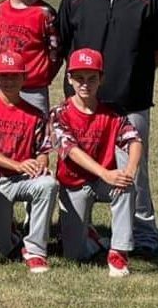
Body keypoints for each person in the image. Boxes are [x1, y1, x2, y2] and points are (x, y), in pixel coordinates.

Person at [57, 0, 158, 255]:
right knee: (81, 168)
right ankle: (82, 228)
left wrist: (133, 72)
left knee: (135, 170)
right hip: (84, 105)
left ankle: (144, 233)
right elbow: (64, 44)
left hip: (130, 101)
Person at [50, 48, 143, 277]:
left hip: (104, 181)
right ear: (69, 79)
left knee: (125, 185)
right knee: (75, 256)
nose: (85, 84)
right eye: (79, 78)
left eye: (92, 78)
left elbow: (135, 140)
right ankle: (90, 238)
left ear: (101, 79)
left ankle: (119, 252)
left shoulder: (111, 111)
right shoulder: (59, 113)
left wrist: (128, 171)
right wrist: (105, 173)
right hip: (74, 184)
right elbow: (71, 151)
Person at [0, 51, 58, 273]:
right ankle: (13, 235)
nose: (8, 81)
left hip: (23, 179)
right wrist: (17, 164)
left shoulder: (35, 114)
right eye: (3, 76)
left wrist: (40, 164)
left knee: (48, 184)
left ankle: (35, 250)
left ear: (24, 78)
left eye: (14, 76)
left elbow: (43, 150)